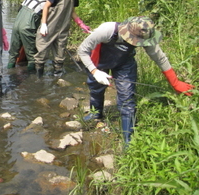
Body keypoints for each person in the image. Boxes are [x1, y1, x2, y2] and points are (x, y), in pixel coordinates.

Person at [77, 16, 194, 144]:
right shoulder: (107, 30)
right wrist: (95, 72)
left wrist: (175, 82)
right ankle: (96, 114)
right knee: (95, 86)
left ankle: (128, 138)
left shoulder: (146, 36)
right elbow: (82, 50)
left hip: (125, 63)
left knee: (127, 98)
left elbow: (160, 58)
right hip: (100, 59)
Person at [34, 0, 90, 77]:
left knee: (60, 56)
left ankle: (57, 78)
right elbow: (46, 7)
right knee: (41, 54)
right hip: (49, 27)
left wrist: (81, 24)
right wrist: (43, 24)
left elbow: (72, 12)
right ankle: (39, 80)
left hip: (63, 29)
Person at [7, 0, 48, 71]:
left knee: (13, 52)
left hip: (16, 24)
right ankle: (31, 78)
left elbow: (19, 9)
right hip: (27, 27)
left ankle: (9, 73)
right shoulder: (46, 4)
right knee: (32, 54)